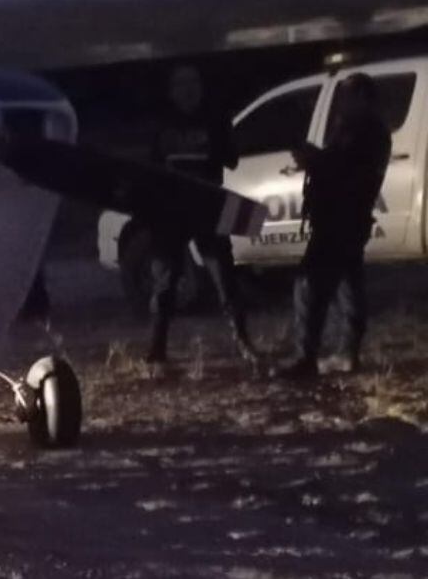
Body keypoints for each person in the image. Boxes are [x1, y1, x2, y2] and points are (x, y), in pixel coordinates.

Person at [278, 73, 391, 379]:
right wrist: (315, 158)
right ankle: (347, 354)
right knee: (348, 287)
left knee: (309, 285)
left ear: (363, 98)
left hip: (341, 221)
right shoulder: (360, 129)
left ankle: (306, 358)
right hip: (344, 220)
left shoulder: (366, 131)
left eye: (346, 96)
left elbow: (345, 172)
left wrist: (313, 159)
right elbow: (339, 163)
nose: (340, 103)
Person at [146, 65, 258, 366]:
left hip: (208, 206)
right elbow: (150, 167)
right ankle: (157, 349)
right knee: (165, 281)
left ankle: (244, 342)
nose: (188, 90)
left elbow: (232, 160)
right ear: (172, 91)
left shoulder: (215, 118)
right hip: (171, 209)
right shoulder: (162, 123)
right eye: (181, 85)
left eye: (193, 83)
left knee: (224, 276)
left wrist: (223, 144)